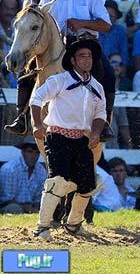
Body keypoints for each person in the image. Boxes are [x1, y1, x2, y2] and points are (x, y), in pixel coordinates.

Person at [5, 0, 116, 141]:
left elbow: (106, 25)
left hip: (84, 43)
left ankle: (104, 122)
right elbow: (39, 19)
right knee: (26, 73)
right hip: (55, 44)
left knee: (107, 73)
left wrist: (81, 23)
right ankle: (21, 117)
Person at [30, 39, 106, 239]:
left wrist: (97, 133)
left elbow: (101, 114)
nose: (87, 59)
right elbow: (36, 99)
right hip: (57, 136)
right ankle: (42, 227)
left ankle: (73, 224)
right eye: (82, 55)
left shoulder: (97, 86)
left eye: (89, 56)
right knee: (57, 181)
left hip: (81, 138)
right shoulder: (60, 80)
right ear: (73, 60)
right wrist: (37, 125)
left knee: (88, 184)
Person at [0, 136, 47, 214]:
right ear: (23, 152)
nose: (33, 156)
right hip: (10, 205)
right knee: (14, 209)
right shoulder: (10, 169)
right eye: (30, 151)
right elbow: (6, 199)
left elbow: (39, 197)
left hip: (33, 206)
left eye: (37, 152)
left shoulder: (41, 170)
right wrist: (28, 208)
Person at [99, 0, 129, 68]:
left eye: (111, 16)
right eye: (105, 15)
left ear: (116, 18)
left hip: (115, 68)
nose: (107, 19)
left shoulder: (121, 31)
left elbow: (124, 55)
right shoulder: (93, 30)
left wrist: (122, 76)